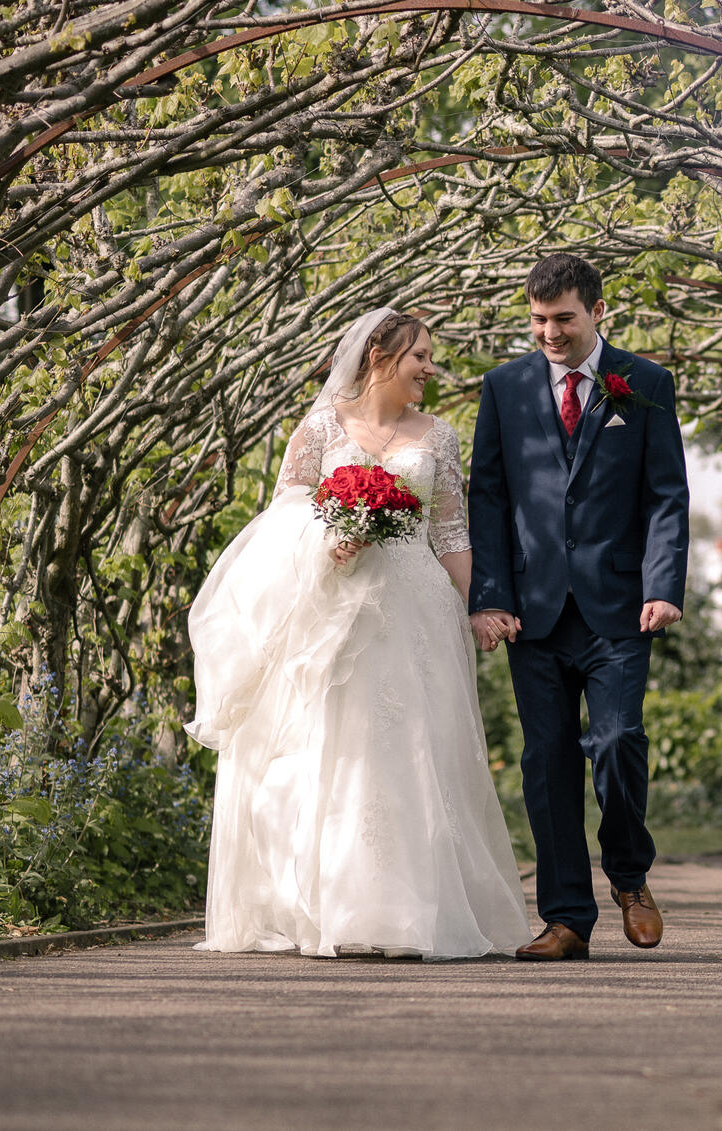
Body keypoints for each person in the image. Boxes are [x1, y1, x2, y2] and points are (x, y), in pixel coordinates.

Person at [185, 308, 532, 959]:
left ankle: (409, 912)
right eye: (420, 356)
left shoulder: (440, 436)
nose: (431, 368)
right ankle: (335, 906)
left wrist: (480, 605)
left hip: (416, 607)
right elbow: (285, 512)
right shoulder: (321, 427)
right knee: (337, 753)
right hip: (335, 608)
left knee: (412, 750)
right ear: (379, 354)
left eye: (431, 356)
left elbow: (451, 532)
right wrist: (332, 534)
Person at [468, 253, 690, 961]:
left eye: (563, 317)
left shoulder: (643, 384)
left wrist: (663, 584)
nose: (549, 332)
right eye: (537, 319)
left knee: (620, 738)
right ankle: (567, 918)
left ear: (598, 311)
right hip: (532, 609)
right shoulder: (503, 388)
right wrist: (491, 597)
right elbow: (490, 498)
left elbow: (666, 495)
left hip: (621, 605)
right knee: (547, 761)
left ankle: (629, 874)